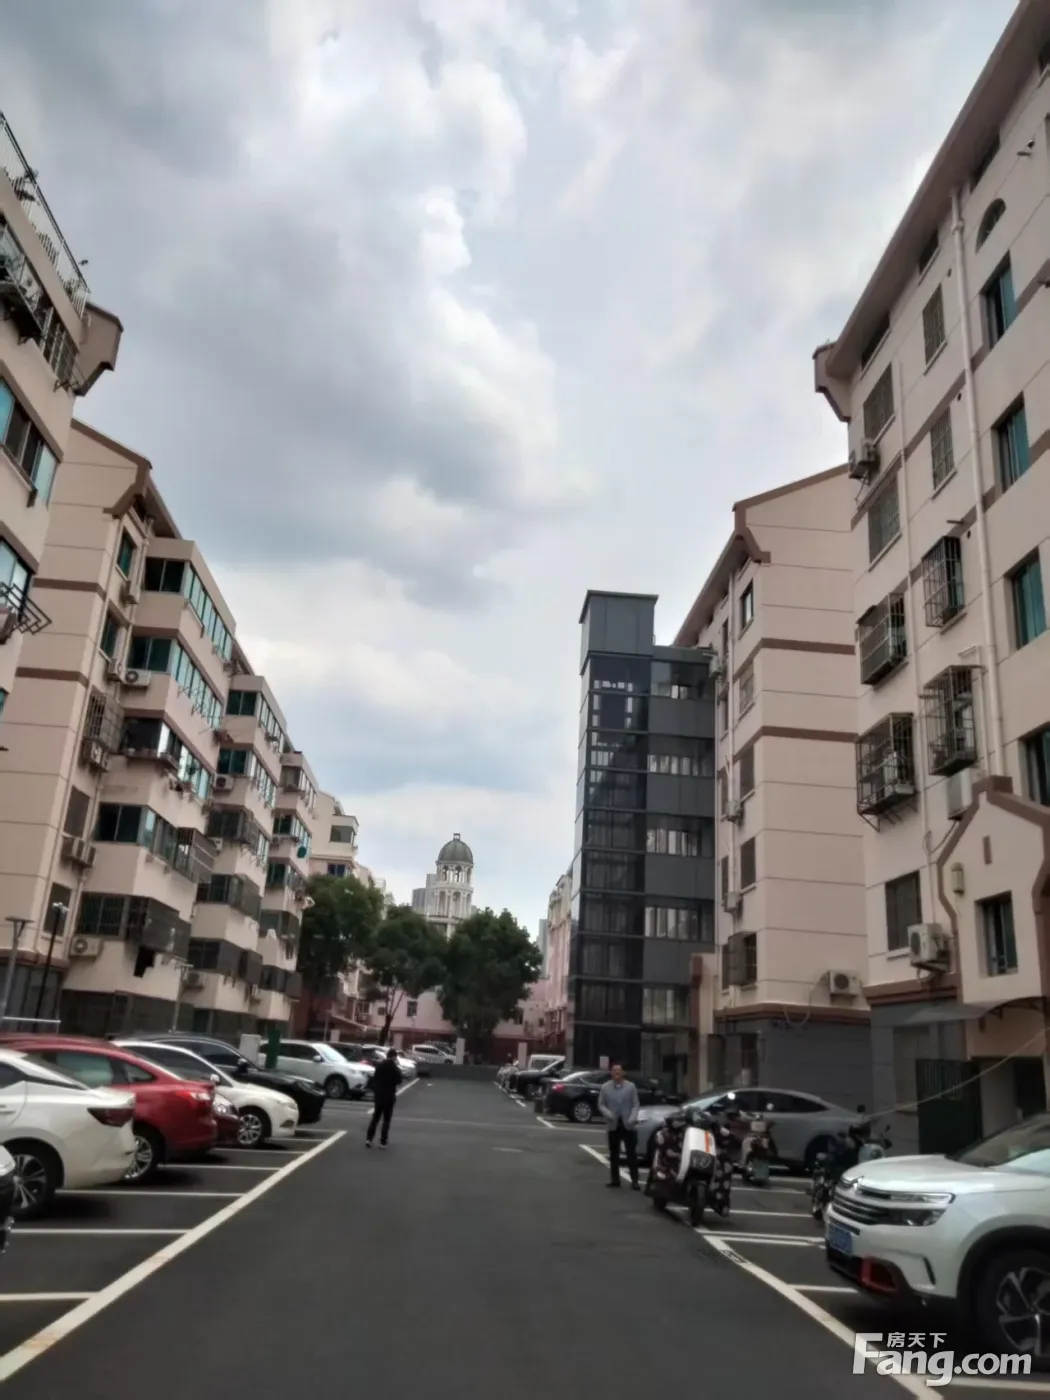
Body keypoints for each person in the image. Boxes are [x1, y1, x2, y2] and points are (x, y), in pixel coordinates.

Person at [597, 1064, 640, 1189]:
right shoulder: (605, 1087)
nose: (617, 1073)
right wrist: (608, 1114)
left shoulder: (631, 1087)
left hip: (628, 1124)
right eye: (614, 1071)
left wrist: (633, 1118)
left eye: (619, 1071)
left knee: (631, 1153)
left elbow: (635, 1104)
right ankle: (615, 1180)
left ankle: (635, 1180)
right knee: (614, 1154)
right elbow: (601, 1104)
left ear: (623, 1073)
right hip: (613, 1124)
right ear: (611, 1073)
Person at [366, 1047, 403, 1148]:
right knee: (386, 1120)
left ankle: (369, 1139)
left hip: (379, 1095)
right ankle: (383, 1141)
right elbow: (399, 1080)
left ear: (387, 1056)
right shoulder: (395, 1068)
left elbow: (375, 1078)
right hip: (389, 1096)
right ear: (394, 1057)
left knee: (375, 1118)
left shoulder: (380, 1066)